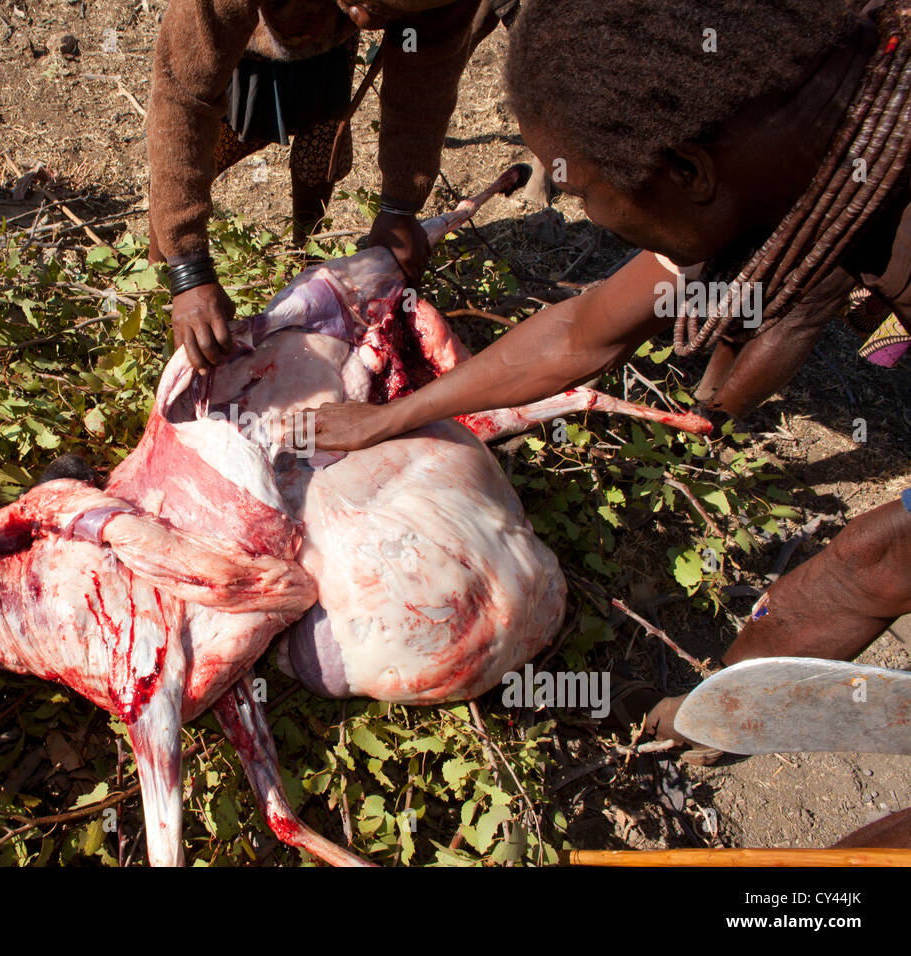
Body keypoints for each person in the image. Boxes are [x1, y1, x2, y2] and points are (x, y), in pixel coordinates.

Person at [299, 0, 911, 757]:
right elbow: (581, 332)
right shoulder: (798, 161)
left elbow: (883, 565)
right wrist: (390, 418)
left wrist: (757, 689)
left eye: (586, 194)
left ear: (688, 172)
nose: (585, 215)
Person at [146, 0, 522, 372]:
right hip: (245, 53)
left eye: (380, 8)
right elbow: (183, 96)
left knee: (321, 155)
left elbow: (425, 76)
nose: (362, 18)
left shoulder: (438, 3)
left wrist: (401, 206)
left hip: (324, 59)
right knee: (202, 159)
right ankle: (153, 283)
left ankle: (303, 251)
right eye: (358, 1)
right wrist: (188, 271)